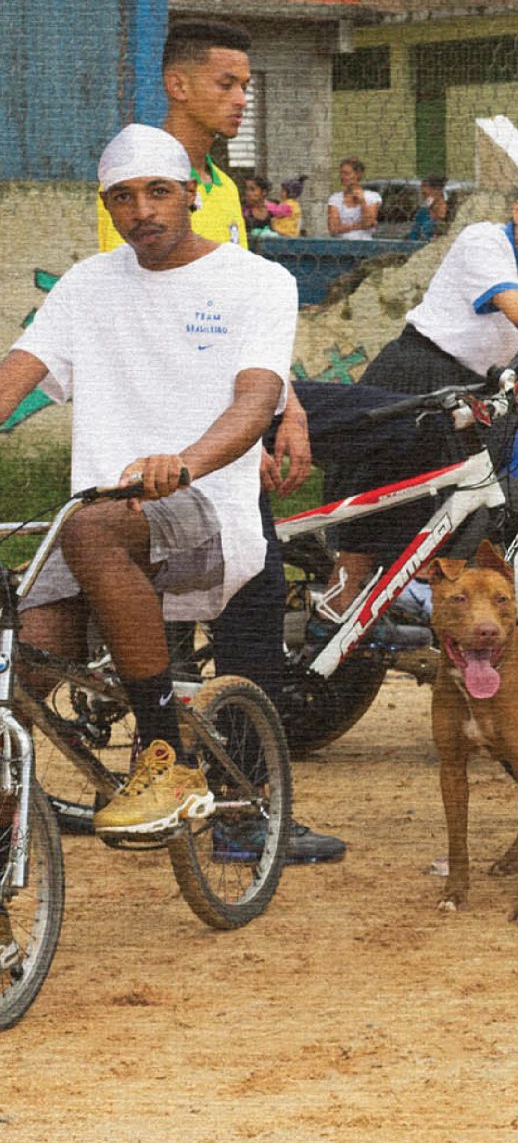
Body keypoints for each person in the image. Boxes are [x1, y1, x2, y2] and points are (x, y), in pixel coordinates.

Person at [93, 17, 345, 864]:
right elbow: (139, 325)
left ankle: (233, 799)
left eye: (247, 85)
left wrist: (288, 410)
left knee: (251, 608)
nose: (244, 99)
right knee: (224, 610)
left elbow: (252, 330)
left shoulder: (218, 188)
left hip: (223, 445)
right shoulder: (141, 181)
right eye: (230, 84)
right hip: (166, 454)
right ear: (179, 84)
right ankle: (215, 797)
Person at [0, 125, 294, 839]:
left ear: (191, 193)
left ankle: (168, 752)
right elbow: (16, 376)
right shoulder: (86, 285)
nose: (142, 211)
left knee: (89, 527)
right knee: (11, 689)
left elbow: (258, 399)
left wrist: (187, 461)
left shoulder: (258, 281)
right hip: (97, 526)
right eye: (123, 197)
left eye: (158, 191)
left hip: (208, 510)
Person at [323, 172, 518, 615]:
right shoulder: (483, 241)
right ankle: (339, 609)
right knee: (386, 505)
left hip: (480, 394)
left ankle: (454, 596)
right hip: (419, 376)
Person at [326, 158, 381, 239]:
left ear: (358, 174)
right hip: (341, 245)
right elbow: (333, 228)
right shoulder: (335, 198)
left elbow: (368, 223)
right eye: (341, 173)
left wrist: (362, 202)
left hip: (364, 244)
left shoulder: (372, 197)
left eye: (347, 173)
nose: (342, 177)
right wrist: (359, 226)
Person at [408, 174, 450, 243]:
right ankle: (412, 239)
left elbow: (441, 217)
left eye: (424, 186)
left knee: (426, 224)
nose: (421, 190)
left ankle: (426, 239)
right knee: (421, 214)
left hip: (436, 222)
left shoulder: (441, 200)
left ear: (435, 189)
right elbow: (426, 207)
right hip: (429, 219)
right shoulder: (430, 199)